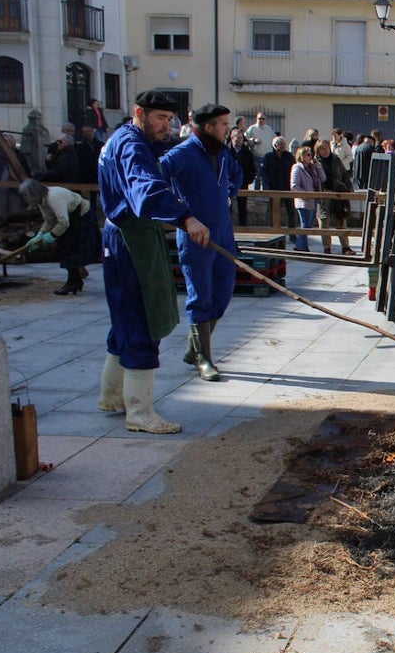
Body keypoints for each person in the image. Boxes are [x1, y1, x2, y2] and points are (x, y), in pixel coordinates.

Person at [96, 89, 209, 434]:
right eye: (160, 118)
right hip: (131, 239)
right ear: (139, 112)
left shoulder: (126, 139)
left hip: (123, 235)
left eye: (170, 119)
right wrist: (185, 217)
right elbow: (145, 186)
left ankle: (112, 396)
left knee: (123, 320)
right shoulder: (130, 146)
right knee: (142, 318)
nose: (166, 126)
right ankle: (140, 412)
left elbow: (159, 152)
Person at [162, 103, 243, 382]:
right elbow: (156, 180)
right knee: (201, 295)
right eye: (222, 124)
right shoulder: (182, 154)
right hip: (196, 234)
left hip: (223, 230)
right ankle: (204, 358)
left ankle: (194, 348)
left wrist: (230, 192)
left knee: (223, 293)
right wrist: (180, 213)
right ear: (208, 126)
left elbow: (237, 173)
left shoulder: (222, 153)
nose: (227, 128)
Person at [18, 178, 99, 295]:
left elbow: (63, 222)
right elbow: (49, 220)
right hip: (71, 217)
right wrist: (39, 235)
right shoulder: (41, 200)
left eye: (26, 196)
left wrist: (50, 236)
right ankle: (75, 281)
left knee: (71, 248)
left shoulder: (53, 197)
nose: (25, 199)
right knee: (67, 249)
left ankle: (72, 282)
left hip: (82, 216)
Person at [315, 138, 353, 254]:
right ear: (318, 150)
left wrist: (349, 189)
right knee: (324, 221)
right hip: (324, 193)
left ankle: (345, 247)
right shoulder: (316, 162)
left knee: (340, 219)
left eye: (326, 148)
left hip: (337, 192)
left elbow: (344, 175)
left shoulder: (335, 159)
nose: (325, 151)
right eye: (322, 149)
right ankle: (327, 247)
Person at [290, 143, 325, 252]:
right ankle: (303, 248)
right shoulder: (297, 168)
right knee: (305, 224)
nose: (311, 157)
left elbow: (323, 178)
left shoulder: (312, 168)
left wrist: (318, 166)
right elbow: (294, 185)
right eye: (308, 155)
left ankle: (299, 245)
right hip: (303, 200)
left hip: (313, 200)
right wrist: (305, 194)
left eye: (311, 154)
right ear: (302, 156)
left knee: (308, 225)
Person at [263, 136, 296, 235]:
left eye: (283, 144)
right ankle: (274, 232)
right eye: (280, 144)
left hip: (287, 188)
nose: (282, 146)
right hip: (274, 188)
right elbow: (264, 172)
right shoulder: (268, 157)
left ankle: (292, 233)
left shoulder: (289, 156)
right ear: (275, 145)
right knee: (274, 212)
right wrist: (268, 184)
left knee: (291, 212)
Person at [226, 127, 256, 226]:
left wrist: (248, 180)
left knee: (242, 207)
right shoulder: (225, 151)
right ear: (232, 138)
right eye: (237, 138)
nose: (239, 140)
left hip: (243, 184)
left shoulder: (247, 152)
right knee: (227, 207)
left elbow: (252, 169)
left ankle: (243, 228)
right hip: (227, 184)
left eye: (241, 138)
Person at [244, 112, 275, 187]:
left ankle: (266, 196)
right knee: (257, 176)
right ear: (256, 119)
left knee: (266, 176)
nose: (261, 120)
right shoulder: (252, 128)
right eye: (259, 118)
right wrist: (253, 140)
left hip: (267, 157)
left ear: (265, 120)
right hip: (256, 156)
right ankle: (255, 195)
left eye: (263, 118)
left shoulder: (269, 129)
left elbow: (274, 140)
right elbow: (245, 140)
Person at [20, 109, 51, 175]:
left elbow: (47, 145)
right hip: (31, 157)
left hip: (43, 156)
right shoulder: (26, 130)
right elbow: (25, 149)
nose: (36, 121)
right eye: (33, 119)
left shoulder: (44, 130)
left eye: (37, 119)